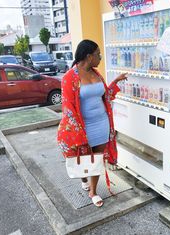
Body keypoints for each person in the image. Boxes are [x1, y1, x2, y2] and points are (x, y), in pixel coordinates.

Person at [57, 39, 127, 207]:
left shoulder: (96, 74)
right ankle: (83, 178)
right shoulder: (69, 77)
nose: (100, 58)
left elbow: (105, 96)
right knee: (83, 158)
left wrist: (115, 82)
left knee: (96, 158)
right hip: (82, 126)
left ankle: (93, 191)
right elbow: (68, 107)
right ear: (89, 56)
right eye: (98, 54)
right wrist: (78, 130)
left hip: (101, 123)